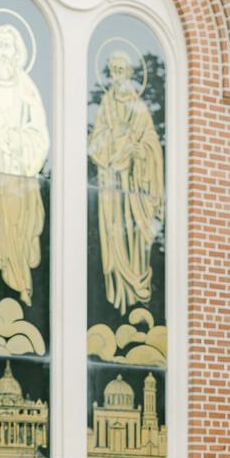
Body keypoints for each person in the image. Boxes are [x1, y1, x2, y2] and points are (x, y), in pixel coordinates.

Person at [0, 23, 49, 308]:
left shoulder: (27, 88)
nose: (2, 52)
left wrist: (16, 141)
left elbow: (38, 134)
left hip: (18, 180)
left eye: (7, 46)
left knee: (16, 238)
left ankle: (21, 291)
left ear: (18, 52)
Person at [88, 51, 164, 316]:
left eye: (122, 70)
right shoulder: (106, 106)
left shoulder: (141, 108)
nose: (118, 76)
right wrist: (112, 144)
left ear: (131, 75)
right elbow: (94, 144)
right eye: (114, 70)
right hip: (111, 186)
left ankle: (135, 293)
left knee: (134, 240)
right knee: (113, 237)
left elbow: (152, 144)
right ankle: (115, 297)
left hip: (133, 188)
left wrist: (140, 151)